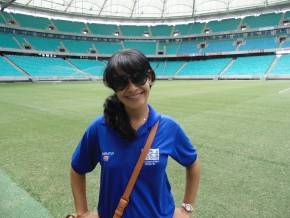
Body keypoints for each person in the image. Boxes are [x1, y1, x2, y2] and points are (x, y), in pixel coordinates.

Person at [69, 49, 201, 218]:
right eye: (121, 82)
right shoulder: (100, 128)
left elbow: (193, 163)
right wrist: (82, 213)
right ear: (114, 88)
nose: (132, 88)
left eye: (138, 78)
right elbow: (77, 169)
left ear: (149, 77)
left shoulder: (168, 127)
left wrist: (186, 209)